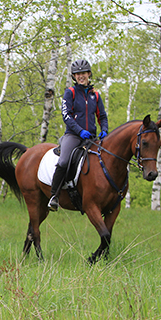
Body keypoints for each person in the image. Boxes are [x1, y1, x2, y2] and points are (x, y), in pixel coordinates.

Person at [48, 59, 109, 210]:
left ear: (89, 74)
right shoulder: (70, 92)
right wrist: (79, 131)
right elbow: (66, 115)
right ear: (74, 76)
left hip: (92, 137)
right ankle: (54, 196)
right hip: (74, 135)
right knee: (63, 162)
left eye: (83, 73)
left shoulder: (96, 95)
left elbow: (102, 116)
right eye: (78, 74)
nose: (81, 76)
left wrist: (105, 130)